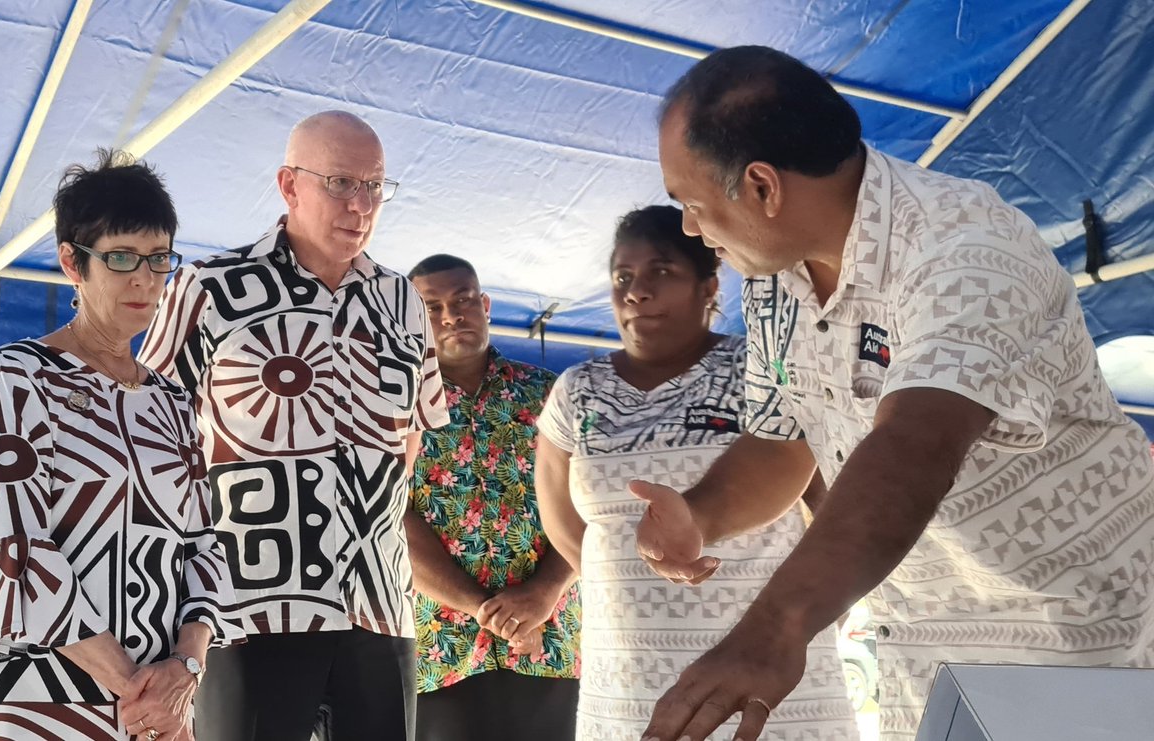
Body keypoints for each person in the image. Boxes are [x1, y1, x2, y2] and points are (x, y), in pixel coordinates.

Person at [636, 45, 1154, 741]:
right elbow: (785, 439)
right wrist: (700, 514)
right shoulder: (771, 283)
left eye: (692, 205)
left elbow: (915, 445)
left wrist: (775, 627)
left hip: (1082, 645)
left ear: (762, 187)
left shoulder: (964, 244)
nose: (693, 230)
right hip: (931, 654)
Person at [139, 111, 449, 741]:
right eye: (340, 183)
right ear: (289, 186)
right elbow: (154, 435)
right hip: (248, 608)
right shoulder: (210, 288)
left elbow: (411, 440)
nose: (360, 205)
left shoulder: (404, 302)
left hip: (380, 607)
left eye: (374, 186)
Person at [535, 205, 857, 740]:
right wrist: (638, 586)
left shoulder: (763, 368)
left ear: (710, 288)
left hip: (759, 659)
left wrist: (803, 615)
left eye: (662, 272)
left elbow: (829, 503)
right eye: (623, 277)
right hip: (627, 670)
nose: (637, 291)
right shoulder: (576, 390)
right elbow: (566, 526)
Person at [0, 150, 242, 740]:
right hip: (37, 702)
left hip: (154, 714)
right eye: (121, 258)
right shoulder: (24, 375)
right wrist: (139, 686)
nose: (144, 279)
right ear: (72, 262)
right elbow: (15, 550)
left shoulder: (173, 402)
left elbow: (205, 548)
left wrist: (186, 668)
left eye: (158, 259)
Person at [404, 254, 581, 741]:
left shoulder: (552, 395)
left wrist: (544, 594)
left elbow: (588, 507)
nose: (450, 315)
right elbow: (393, 522)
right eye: (431, 306)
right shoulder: (396, 409)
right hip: (442, 647)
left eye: (462, 300)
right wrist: (484, 608)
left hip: (547, 639)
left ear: (484, 304)